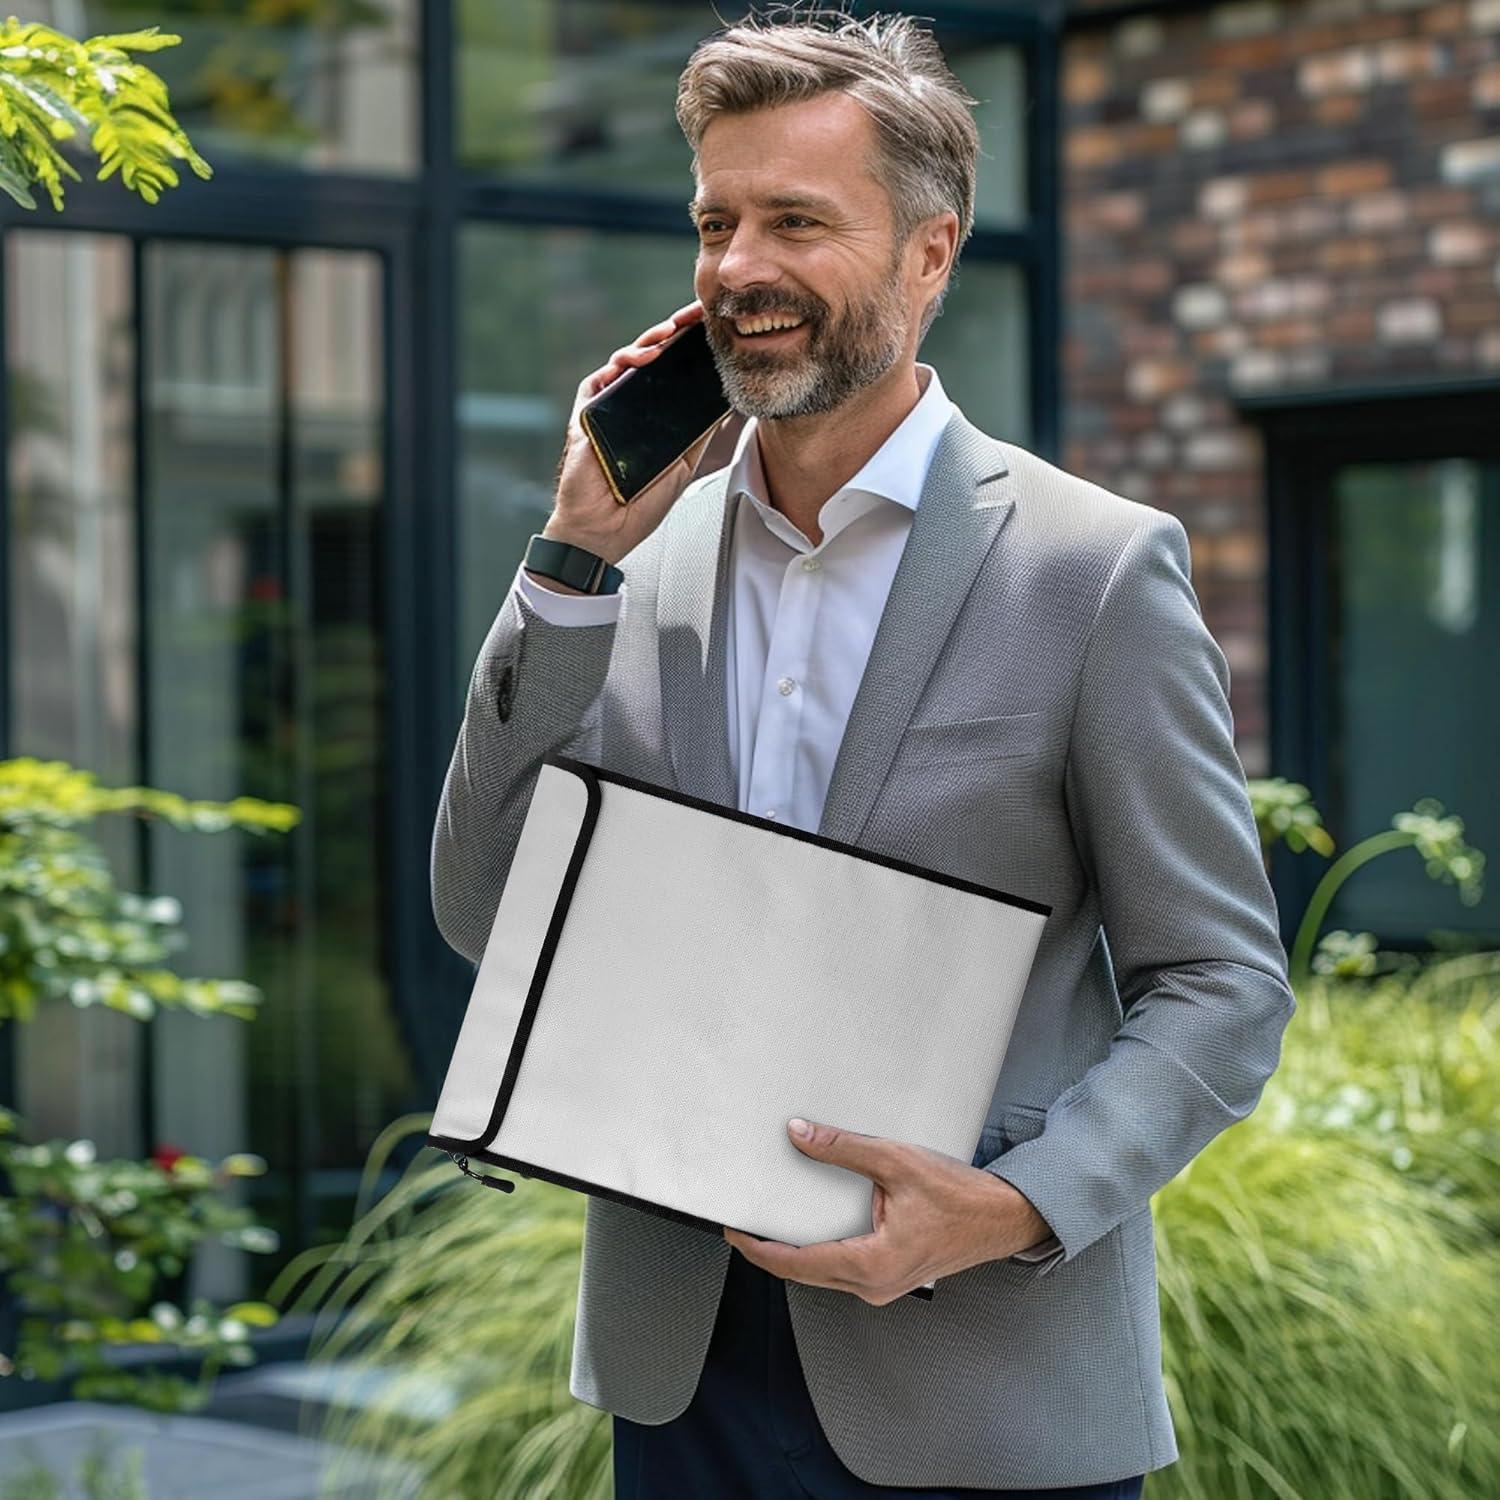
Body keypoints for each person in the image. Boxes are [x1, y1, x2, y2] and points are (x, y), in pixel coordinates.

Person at [430, 9, 1296, 1498]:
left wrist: (1015, 1206)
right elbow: (492, 913)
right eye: (716, 221)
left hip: (985, 1384)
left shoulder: (1091, 571)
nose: (738, 269)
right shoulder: (635, 559)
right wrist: (570, 560)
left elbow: (1221, 987)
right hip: (683, 1370)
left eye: (795, 221)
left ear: (930, 255)